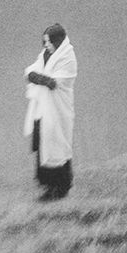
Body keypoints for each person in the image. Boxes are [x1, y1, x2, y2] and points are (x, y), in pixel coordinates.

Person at [24, 23, 77, 200]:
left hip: (58, 109)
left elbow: (56, 82)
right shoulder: (45, 55)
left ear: (57, 41)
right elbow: (32, 70)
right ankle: (47, 184)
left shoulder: (67, 58)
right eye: (44, 42)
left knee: (57, 143)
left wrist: (36, 77)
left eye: (49, 41)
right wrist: (35, 76)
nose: (46, 45)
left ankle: (60, 187)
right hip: (43, 109)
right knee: (43, 141)